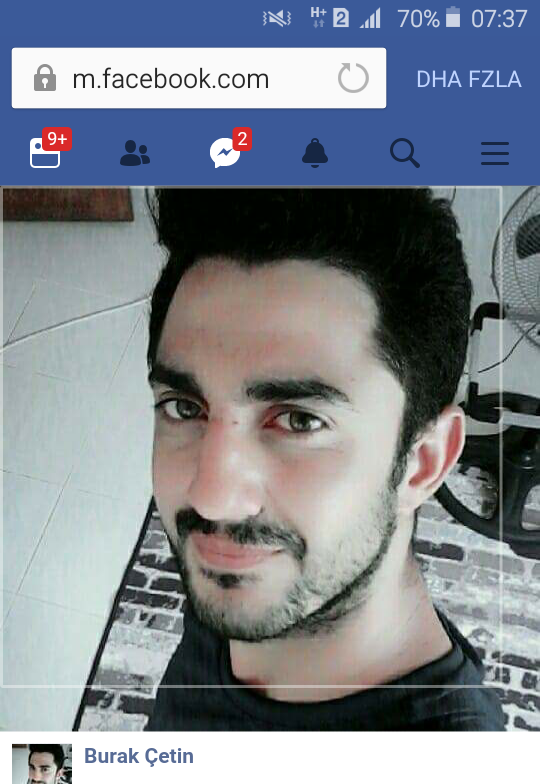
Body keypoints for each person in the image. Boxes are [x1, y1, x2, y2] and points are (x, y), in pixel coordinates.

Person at [145, 188, 506, 731]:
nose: (211, 497)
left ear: (425, 460)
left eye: (298, 421)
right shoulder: (241, 577)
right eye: (184, 407)